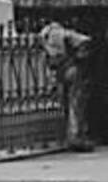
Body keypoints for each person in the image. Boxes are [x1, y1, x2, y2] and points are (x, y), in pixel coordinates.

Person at [39, 17, 95, 151]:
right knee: (75, 103)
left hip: (58, 70)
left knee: (65, 102)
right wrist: (78, 56)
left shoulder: (44, 35)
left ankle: (70, 135)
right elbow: (85, 41)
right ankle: (75, 136)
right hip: (70, 68)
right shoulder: (65, 33)